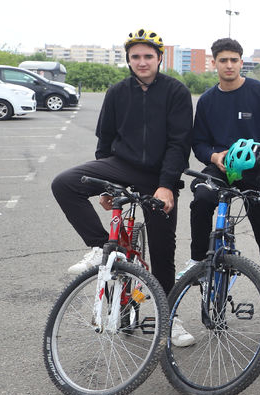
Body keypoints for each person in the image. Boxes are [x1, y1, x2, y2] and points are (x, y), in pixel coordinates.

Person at [51, 28, 195, 346]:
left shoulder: (176, 92)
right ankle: (104, 248)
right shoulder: (117, 91)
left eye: (148, 56)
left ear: (159, 57)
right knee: (64, 184)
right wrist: (105, 186)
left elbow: (179, 144)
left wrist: (167, 186)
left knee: (162, 250)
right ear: (128, 59)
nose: (142, 62)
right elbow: (105, 139)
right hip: (121, 166)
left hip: (158, 176)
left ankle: (167, 316)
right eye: (135, 57)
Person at [181, 38, 260, 341]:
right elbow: (199, 143)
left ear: (241, 62)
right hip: (222, 169)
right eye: (223, 60)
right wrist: (213, 156)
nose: (229, 65)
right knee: (202, 195)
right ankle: (197, 261)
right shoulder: (206, 101)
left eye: (234, 60)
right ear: (214, 63)